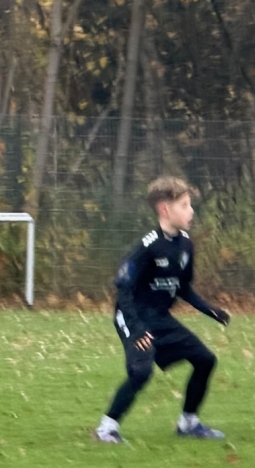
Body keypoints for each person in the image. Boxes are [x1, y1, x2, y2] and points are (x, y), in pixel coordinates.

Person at [95, 177, 230, 443]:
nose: (191, 211)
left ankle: (188, 423)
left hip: (159, 318)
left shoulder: (185, 244)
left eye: (190, 204)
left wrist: (210, 310)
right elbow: (123, 289)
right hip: (132, 316)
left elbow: (183, 287)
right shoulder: (147, 247)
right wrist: (136, 329)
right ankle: (106, 429)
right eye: (184, 205)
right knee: (141, 372)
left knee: (205, 360)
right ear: (165, 209)